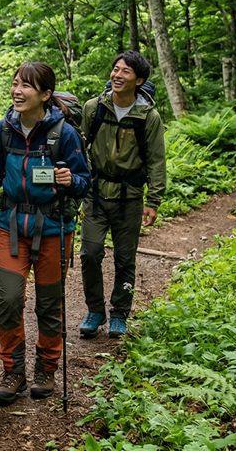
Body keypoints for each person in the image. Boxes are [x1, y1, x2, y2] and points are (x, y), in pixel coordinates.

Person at [0, 62, 90, 405]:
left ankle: (46, 368)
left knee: (49, 304)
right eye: (15, 83)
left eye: (26, 86)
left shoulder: (64, 134)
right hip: (12, 227)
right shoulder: (3, 131)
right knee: (9, 300)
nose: (17, 91)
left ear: (45, 94)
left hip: (54, 228)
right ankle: (13, 370)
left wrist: (70, 181)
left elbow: (84, 182)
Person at [78, 50, 167, 340]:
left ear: (138, 80)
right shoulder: (94, 108)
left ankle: (119, 313)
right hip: (95, 194)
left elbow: (156, 160)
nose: (117, 75)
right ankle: (95, 310)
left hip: (130, 197)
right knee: (90, 253)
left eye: (125, 71)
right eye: (116, 69)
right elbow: (78, 147)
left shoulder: (148, 117)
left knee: (125, 258)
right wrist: (75, 186)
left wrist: (154, 200)